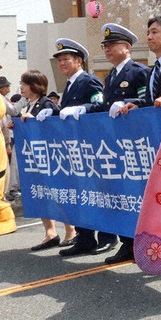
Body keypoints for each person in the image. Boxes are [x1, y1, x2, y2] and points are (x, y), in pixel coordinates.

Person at [36, 38, 110, 257]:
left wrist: (82, 108)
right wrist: (54, 111)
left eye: (66, 59)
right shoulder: (69, 85)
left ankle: (107, 237)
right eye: (59, 60)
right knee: (79, 195)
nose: (62, 64)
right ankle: (85, 237)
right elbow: (68, 112)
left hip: (91, 148)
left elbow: (100, 104)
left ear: (79, 61)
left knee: (97, 194)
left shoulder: (89, 81)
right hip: (74, 149)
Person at [87, 24, 150, 264]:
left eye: (111, 45)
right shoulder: (111, 76)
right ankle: (128, 243)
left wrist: (128, 101)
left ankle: (141, 242)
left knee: (137, 195)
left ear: (127, 47)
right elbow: (104, 106)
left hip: (136, 144)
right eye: (105, 46)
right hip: (116, 145)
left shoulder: (139, 72)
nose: (107, 49)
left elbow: (146, 101)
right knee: (122, 195)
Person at [18, 70, 71, 250]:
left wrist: (36, 121)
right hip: (36, 159)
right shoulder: (29, 104)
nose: (21, 87)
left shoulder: (46, 103)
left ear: (35, 85)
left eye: (24, 84)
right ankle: (50, 232)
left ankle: (70, 230)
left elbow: (57, 127)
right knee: (41, 193)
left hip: (51, 158)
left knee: (58, 194)